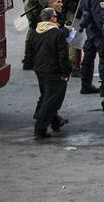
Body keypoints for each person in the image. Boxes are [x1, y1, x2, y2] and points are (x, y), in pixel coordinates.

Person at [23, 7, 70, 139]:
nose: (56, 18)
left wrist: (30, 65)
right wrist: (66, 72)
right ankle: (40, 129)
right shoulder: (57, 33)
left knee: (47, 96)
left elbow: (29, 52)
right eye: (55, 16)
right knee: (52, 100)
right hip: (54, 72)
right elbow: (62, 55)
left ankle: (55, 122)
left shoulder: (34, 32)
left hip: (40, 70)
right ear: (52, 19)